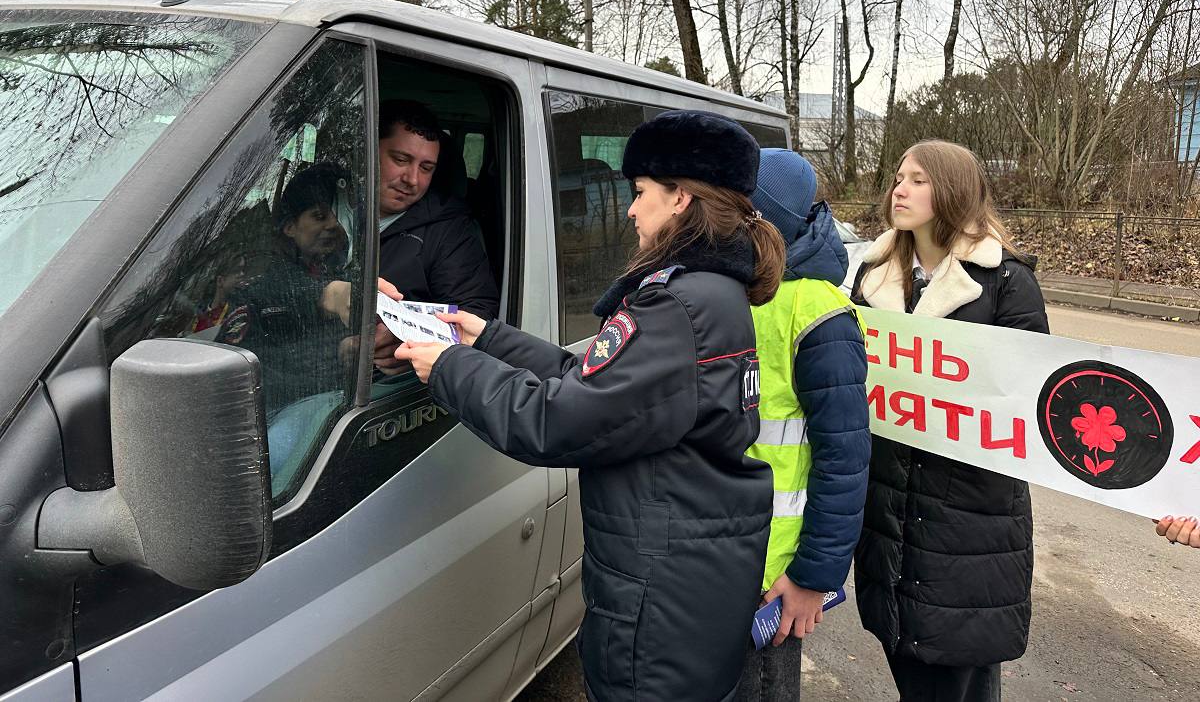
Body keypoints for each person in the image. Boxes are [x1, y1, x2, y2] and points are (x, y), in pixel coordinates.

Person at [392, 111, 786, 701]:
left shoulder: (676, 306)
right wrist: (486, 338)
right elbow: (598, 385)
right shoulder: (709, 294)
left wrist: (448, 366)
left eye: (640, 192)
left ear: (680, 198)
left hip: (662, 596)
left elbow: (558, 422)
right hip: (692, 575)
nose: (630, 210)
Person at [850, 140, 1048, 702]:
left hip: (971, 516)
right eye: (898, 178)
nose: (900, 189)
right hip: (891, 506)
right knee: (908, 656)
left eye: (918, 180)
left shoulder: (1006, 282)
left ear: (954, 190)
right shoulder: (871, 276)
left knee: (960, 669)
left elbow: (1030, 399)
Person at [737, 149, 871, 702]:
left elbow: (845, 459)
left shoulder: (817, 309)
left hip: (774, 572)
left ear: (760, 219)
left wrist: (814, 577)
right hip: (724, 552)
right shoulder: (731, 286)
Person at [218, 163, 356, 419]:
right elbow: (235, 380)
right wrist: (328, 297)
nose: (333, 225)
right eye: (319, 216)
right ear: (290, 227)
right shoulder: (256, 292)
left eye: (338, 216)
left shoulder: (351, 272)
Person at [377, 100, 499, 319]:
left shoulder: (449, 230)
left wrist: (398, 331)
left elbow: (474, 315)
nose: (412, 180)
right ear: (367, 150)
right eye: (401, 160)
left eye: (426, 168)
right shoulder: (320, 199)